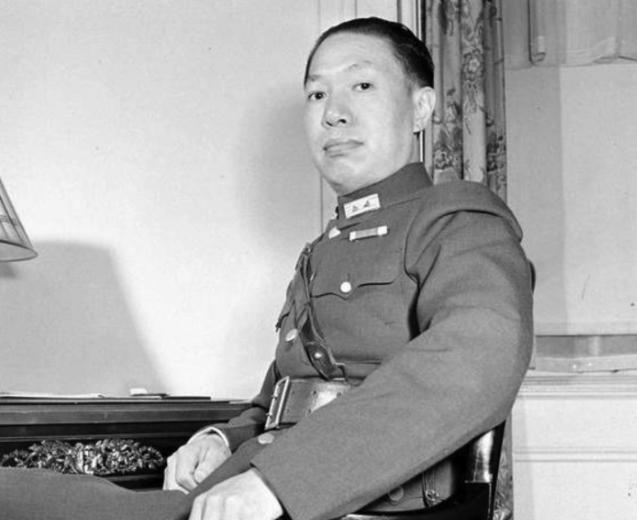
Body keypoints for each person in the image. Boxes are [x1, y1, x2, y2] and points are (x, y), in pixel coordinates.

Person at [0, 16, 533, 520]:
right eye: (317, 94)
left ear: (421, 108)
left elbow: (475, 360)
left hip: (345, 501)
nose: (333, 113)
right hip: (259, 480)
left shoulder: (457, 220)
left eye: (362, 86)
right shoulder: (322, 250)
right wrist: (222, 439)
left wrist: (280, 482)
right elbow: (283, 398)